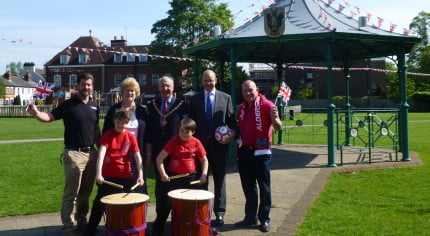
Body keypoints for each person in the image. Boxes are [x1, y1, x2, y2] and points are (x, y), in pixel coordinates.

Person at [26, 73, 100, 236]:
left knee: (85, 193)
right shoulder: (68, 105)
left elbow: (96, 131)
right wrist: (36, 113)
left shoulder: (95, 106)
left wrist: (101, 152)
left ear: (92, 87)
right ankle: (67, 227)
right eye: (83, 84)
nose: (86, 87)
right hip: (74, 154)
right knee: (71, 194)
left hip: (92, 154)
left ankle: (82, 222)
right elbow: (49, 117)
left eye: (89, 85)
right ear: (78, 85)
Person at [188, 69, 239, 227]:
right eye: (205, 81)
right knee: (201, 179)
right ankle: (201, 211)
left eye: (211, 80)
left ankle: (220, 213)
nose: (208, 83)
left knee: (220, 179)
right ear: (201, 82)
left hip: (219, 147)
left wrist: (232, 135)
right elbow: (190, 123)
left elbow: (232, 123)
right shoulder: (194, 99)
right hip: (200, 147)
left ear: (216, 80)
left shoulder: (226, 98)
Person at [86, 108, 144, 235]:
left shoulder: (131, 137)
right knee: (99, 204)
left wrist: (140, 175)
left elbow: (137, 156)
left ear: (127, 122)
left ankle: (129, 228)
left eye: (123, 122)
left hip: (126, 176)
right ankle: (90, 229)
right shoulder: (108, 135)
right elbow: (101, 155)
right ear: (114, 120)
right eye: (118, 121)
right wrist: (99, 174)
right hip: (107, 176)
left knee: (127, 203)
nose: (120, 125)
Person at [234, 80, 282, 233]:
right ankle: (250, 217)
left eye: (250, 90)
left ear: (257, 89)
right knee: (249, 187)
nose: (248, 93)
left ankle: (264, 219)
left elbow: (278, 127)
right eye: (245, 91)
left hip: (261, 152)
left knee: (264, 187)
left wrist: (274, 118)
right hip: (244, 152)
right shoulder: (241, 108)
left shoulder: (267, 105)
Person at [146, 75, 188, 236]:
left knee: (177, 187)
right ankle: (159, 221)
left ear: (173, 87)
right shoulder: (153, 106)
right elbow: (149, 133)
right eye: (162, 86)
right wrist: (149, 154)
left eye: (168, 86)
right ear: (158, 88)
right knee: (161, 188)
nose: (165, 89)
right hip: (158, 154)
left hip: (176, 155)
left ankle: (176, 220)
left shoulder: (182, 105)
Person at [101, 77, 150, 194]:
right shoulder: (114, 110)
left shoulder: (142, 111)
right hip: (116, 157)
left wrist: (148, 155)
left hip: (136, 154)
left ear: (136, 93)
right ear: (122, 92)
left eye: (132, 90)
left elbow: (148, 136)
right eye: (127, 90)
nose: (130, 93)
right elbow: (105, 133)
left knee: (137, 189)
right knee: (115, 190)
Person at [156, 117, 208, 191]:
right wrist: (163, 174)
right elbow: (159, 158)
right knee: (174, 202)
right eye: (181, 131)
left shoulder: (197, 143)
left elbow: (204, 160)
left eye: (187, 132)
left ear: (193, 132)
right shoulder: (173, 142)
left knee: (190, 201)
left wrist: (204, 174)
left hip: (191, 177)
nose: (183, 134)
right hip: (174, 177)